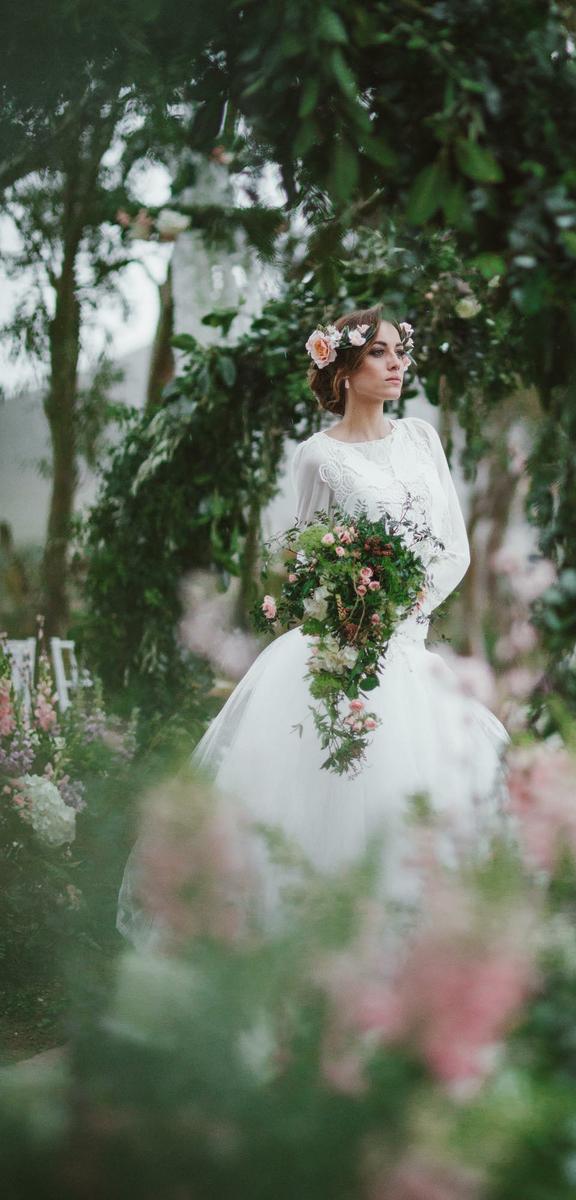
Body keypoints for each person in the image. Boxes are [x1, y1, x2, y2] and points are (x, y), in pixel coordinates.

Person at [117, 305, 510, 950]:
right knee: (333, 793)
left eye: (399, 351)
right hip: (342, 649)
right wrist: (350, 609)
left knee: (417, 801)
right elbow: (306, 556)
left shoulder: (421, 439)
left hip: (406, 646)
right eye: (379, 353)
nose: (396, 364)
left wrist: (398, 610)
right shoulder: (317, 456)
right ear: (345, 369)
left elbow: (455, 550)